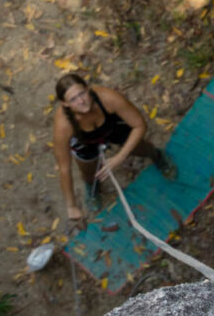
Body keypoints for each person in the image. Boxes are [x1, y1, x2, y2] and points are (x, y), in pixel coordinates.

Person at [51, 73, 176, 226]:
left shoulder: (108, 98)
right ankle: (92, 187)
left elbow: (139, 125)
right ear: (65, 104)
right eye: (73, 99)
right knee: (89, 172)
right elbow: (64, 168)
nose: (81, 101)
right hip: (84, 140)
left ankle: (157, 156)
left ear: (88, 89)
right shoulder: (64, 125)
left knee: (140, 147)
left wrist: (120, 157)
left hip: (111, 126)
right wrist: (71, 206)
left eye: (82, 93)